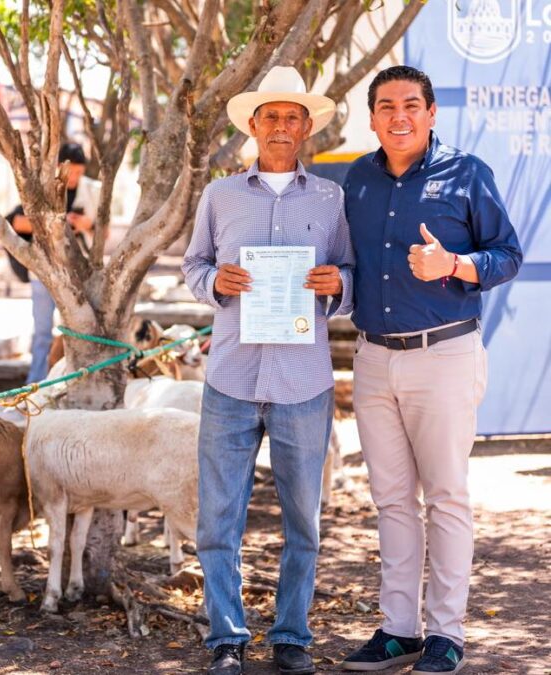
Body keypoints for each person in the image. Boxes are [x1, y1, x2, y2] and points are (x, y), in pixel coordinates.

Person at [340, 66, 522, 675]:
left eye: (411, 105)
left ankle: (446, 634)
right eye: (386, 106)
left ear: (431, 112)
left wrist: (454, 263)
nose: (399, 116)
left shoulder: (467, 174)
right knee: (391, 501)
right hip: (372, 359)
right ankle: (399, 631)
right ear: (371, 117)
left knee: (446, 498)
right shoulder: (357, 180)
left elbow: (507, 255)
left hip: (443, 354)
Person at [182, 66, 354, 675]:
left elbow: (349, 279)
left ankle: (291, 636)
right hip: (230, 377)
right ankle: (226, 637)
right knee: (217, 519)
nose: (281, 127)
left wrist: (338, 283)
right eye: (270, 117)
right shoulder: (220, 195)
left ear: (307, 127)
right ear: (253, 126)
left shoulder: (331, 198)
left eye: (292, 117)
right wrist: (213, 283)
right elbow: (194, 265)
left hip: (303, 383)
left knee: (303, 519)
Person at [6, 143, 97, 383]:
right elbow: (17, 222)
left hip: (77, 273)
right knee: (42, 333)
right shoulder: (40, 188)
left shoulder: (91, 190)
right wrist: (58, 221)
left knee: (79, 331)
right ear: (60, 167)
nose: (76, 178)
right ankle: (35, 384)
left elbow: (102, 232)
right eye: (72, 171)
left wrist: (86, 224)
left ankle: (74, 381)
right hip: (44, 271)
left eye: (80, 172)